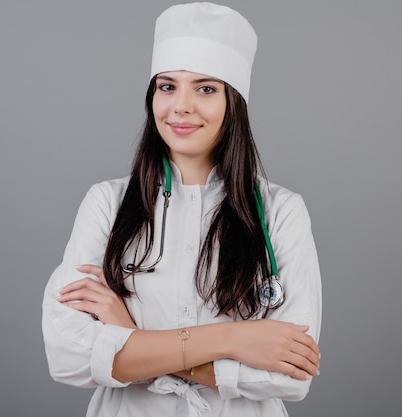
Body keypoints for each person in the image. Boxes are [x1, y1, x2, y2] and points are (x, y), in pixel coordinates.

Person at [42, 3, 322, 416]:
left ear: (234, 103)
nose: (181, 106)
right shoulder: (107, 204)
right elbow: (67, 355)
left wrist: (129, 337)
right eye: (167, 86)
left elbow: (288, 377)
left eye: (206, 88)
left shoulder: (282, 213)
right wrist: (233, 341)